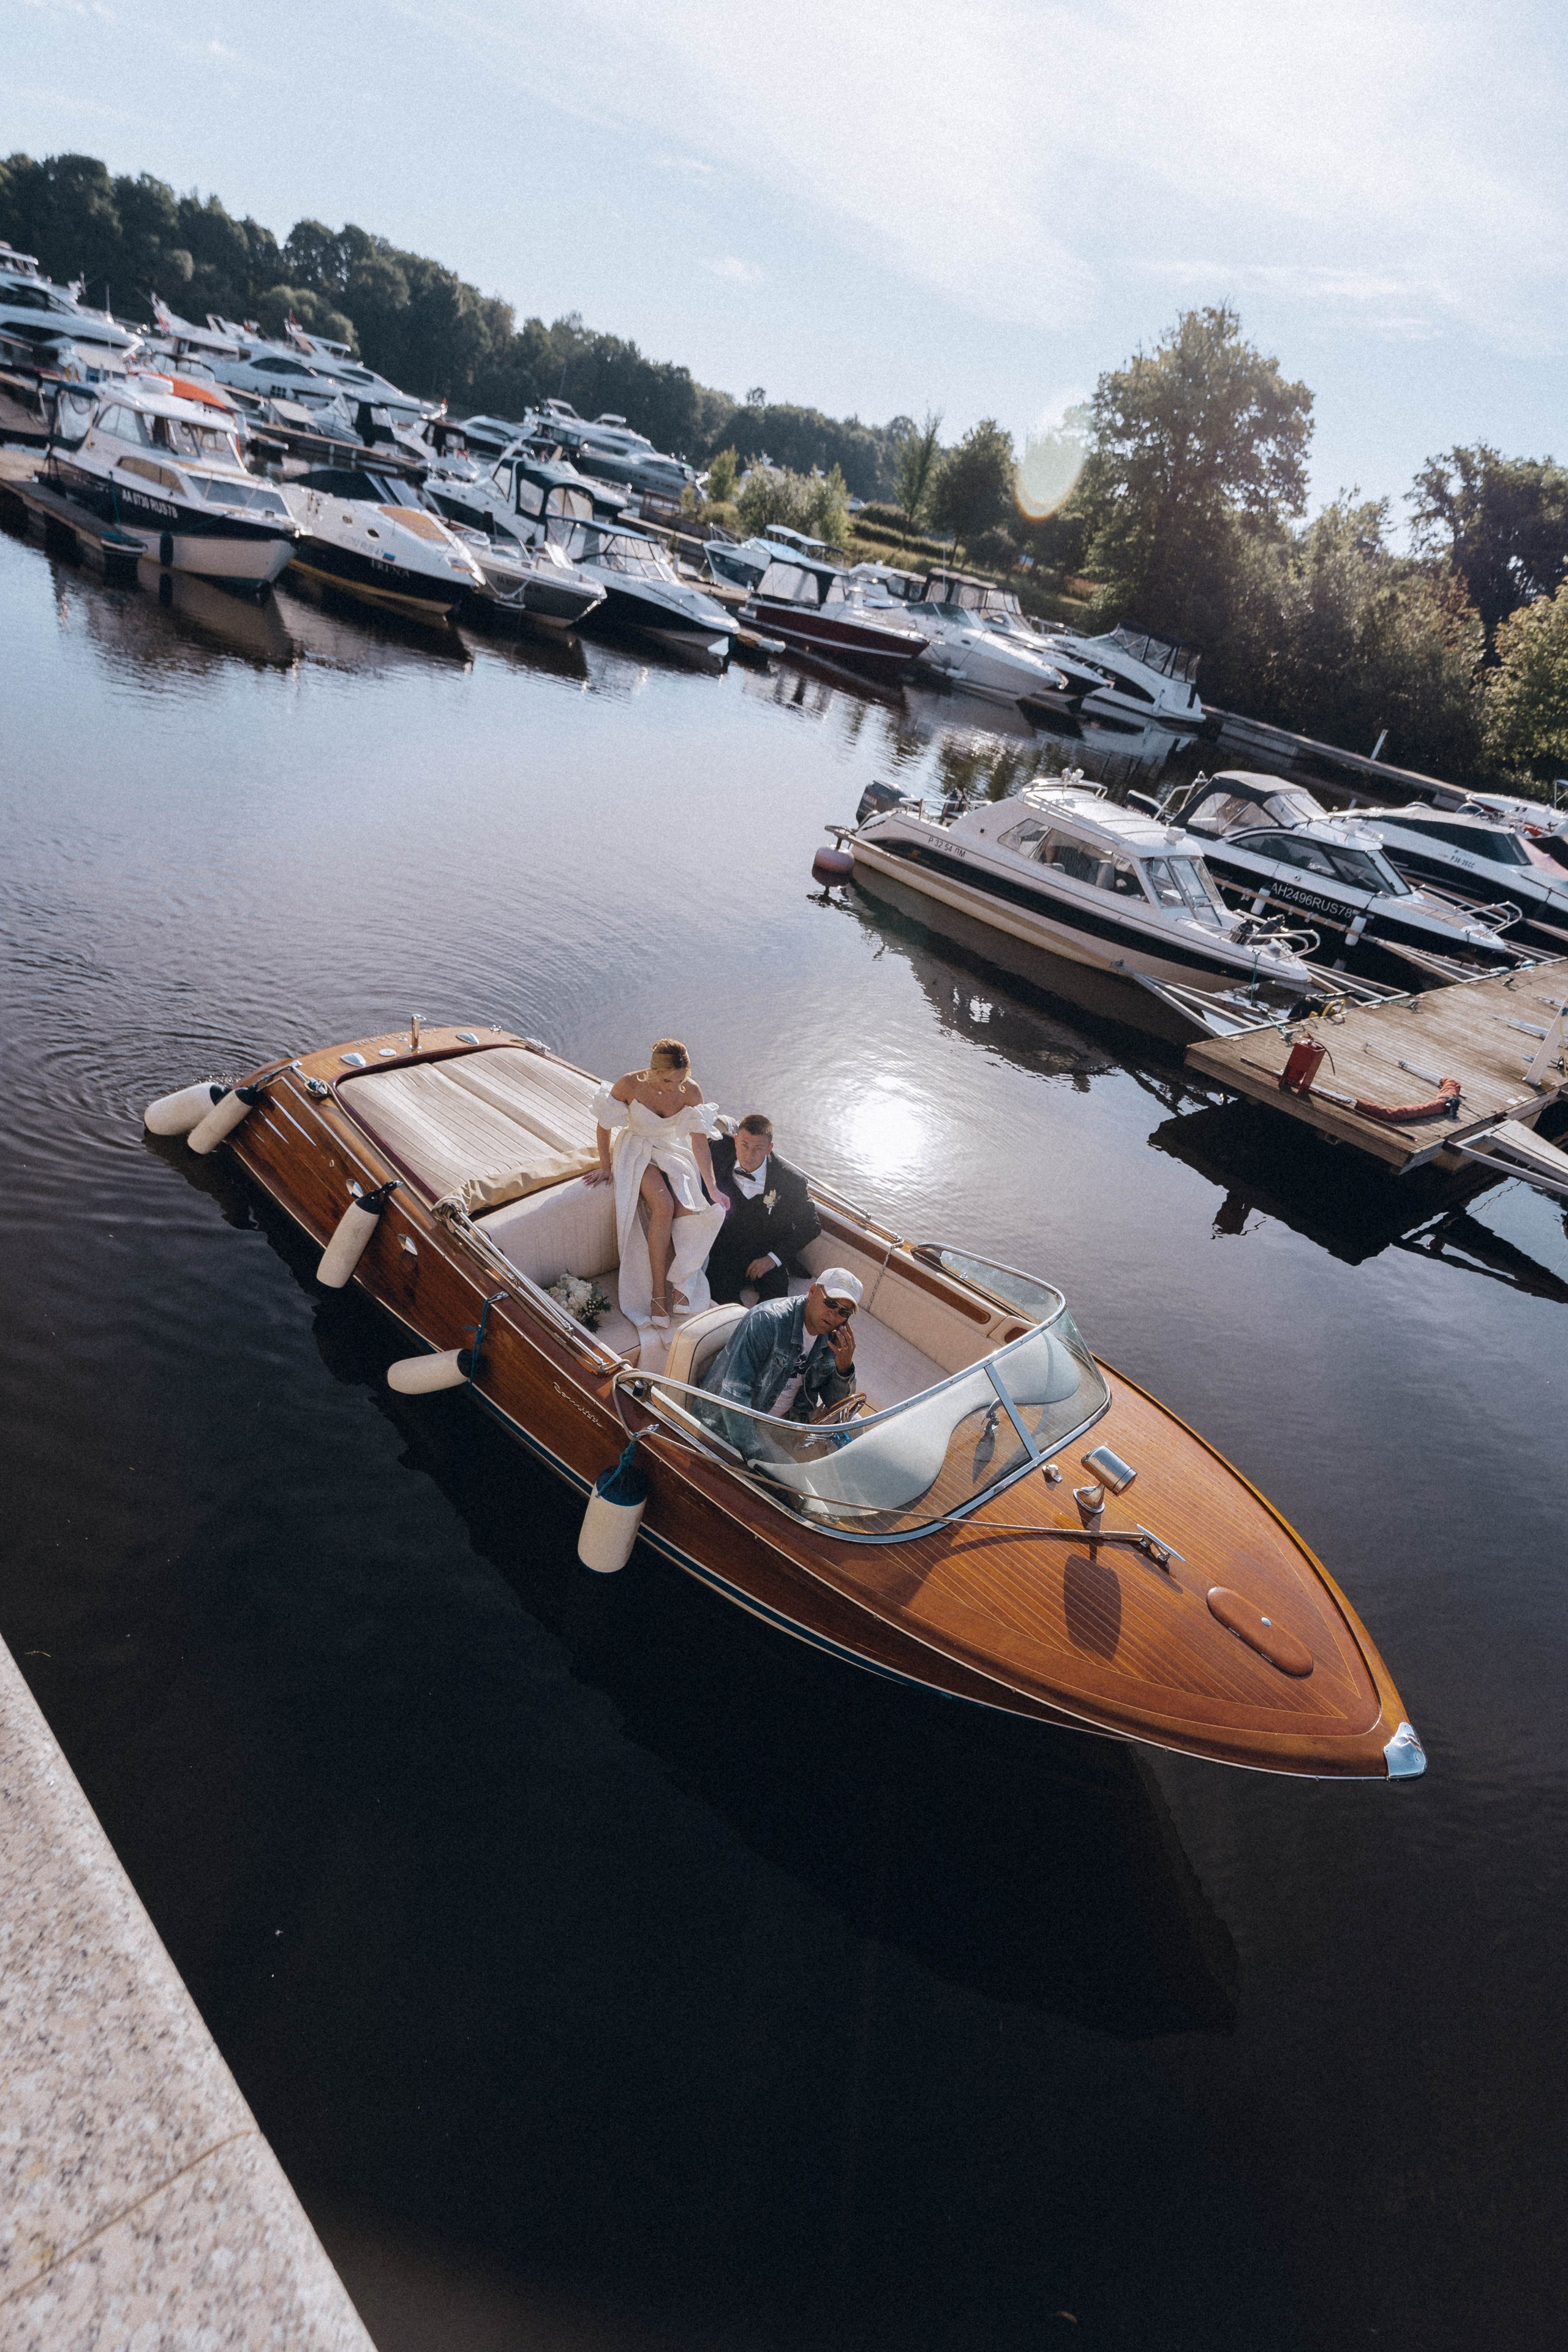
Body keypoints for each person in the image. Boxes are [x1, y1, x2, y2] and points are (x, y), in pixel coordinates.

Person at [586, 1039, 726, 1331]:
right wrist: (605, 1166)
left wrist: (712, 1187)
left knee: (697, 1207)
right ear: (653, 1071)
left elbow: (699, 1142)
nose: (675, 1087)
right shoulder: (628, 1085)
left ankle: (682, 1282)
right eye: (667, 1080)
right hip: (636, 1149)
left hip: (671, 1149)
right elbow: (604, 1125)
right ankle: (657, 1294)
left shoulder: (692, 1092)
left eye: (681, 1080)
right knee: (664, 1206)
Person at [701, 1269, 865, 1427]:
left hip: (787, 1425)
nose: (833, 1314)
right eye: (830, 1303)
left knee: (856, 1422)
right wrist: (754, 1450)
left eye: (843, 1312)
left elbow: (836, 1406)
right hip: (732, 1423)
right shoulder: (767, 1321)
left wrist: (843, 1369)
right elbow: (734, 1395)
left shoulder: (833, 1336)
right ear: (813, 1291)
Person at [706, 1113, 821, 1305]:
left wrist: (772, 1259)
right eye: (744, 1145)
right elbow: (693, 1139)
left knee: (775, 1308)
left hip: (767, 1253)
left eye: (758, 1148)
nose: (749, 1155)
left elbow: (812, 1225)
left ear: (769, 1148)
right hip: (726, 1251)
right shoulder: (719, 1149)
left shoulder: (790, 1181)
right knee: (722, 1303)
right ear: (735, 1140)